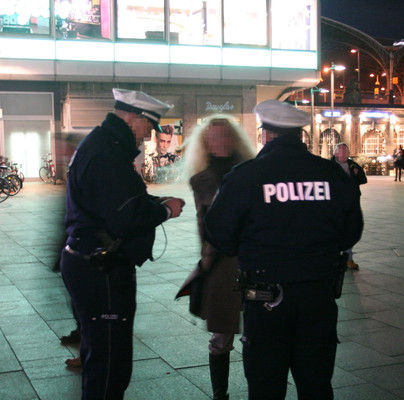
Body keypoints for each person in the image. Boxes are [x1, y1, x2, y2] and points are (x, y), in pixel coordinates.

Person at [204, 100, 363, 400]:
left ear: (267, 134)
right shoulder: (331, 174)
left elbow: (219, 235)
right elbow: (351, 233)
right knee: (316, 383)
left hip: (266, 299)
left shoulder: (245, 176)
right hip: (319, 295)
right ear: (300, 134)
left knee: (266, 385)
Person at [61, 88, 185, 399]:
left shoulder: (102, 144)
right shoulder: (108, 151)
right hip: (100, 267)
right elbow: (125, 216)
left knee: (98, 351)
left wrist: (153, 200)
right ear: (132, 117)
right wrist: (165, 209)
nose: (147, 135)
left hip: (90, 259)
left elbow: (111, 200)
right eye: (147, 127)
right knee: (110, 359)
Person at [181, 114, 255, 400]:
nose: (220, 140)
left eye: (224, 134)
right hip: (220, 263)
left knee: (255, 332)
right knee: (221, 335)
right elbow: (204, 225)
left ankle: (258, 388)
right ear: (206, 143)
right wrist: (206, 262)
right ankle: (219, 393)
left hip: (252, 260)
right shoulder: (201, 180)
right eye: (213, 136)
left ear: (234, 138)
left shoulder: (251, 171)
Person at [331, 142, 367, 269]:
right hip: (336, 204)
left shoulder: (353, 165)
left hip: (352, 204)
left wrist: (358, 174)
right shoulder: (329, 166)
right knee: (335, 231)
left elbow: (363, 180)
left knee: (351, 230)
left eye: (346, 151)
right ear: (335, 153)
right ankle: (334, 258)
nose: (344, 153)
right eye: (341, 151)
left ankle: (349, 258)